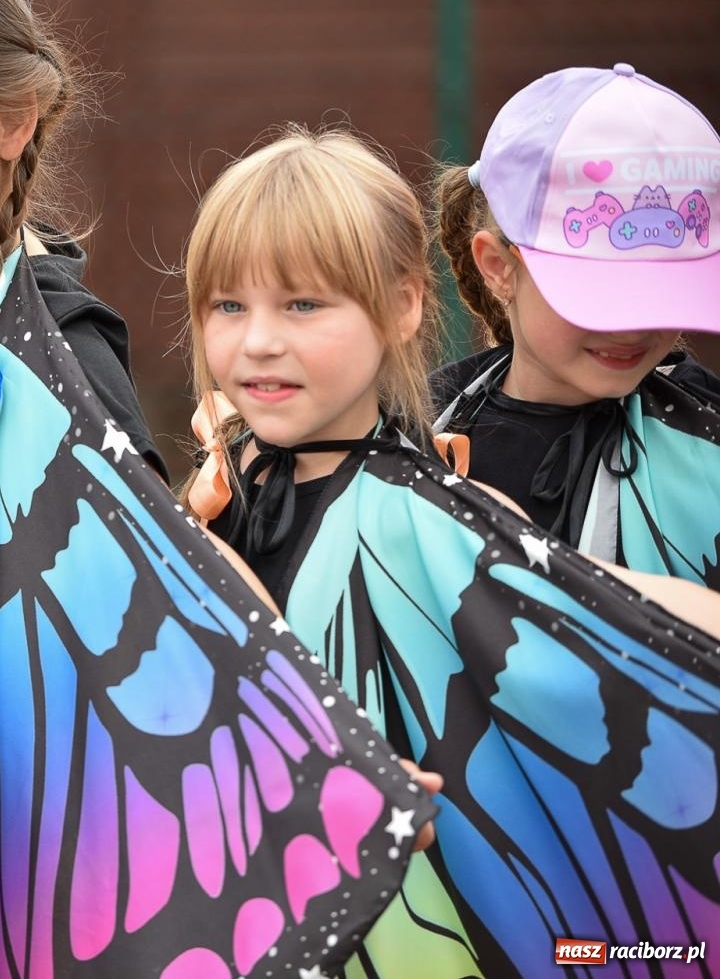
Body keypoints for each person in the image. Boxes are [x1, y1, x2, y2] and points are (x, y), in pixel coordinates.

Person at [0, 0, 432, 977]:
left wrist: (329, 748)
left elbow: (167, 565)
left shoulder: (59, 346)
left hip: (15, 826)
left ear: (14, 121)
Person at [182, 125, 720, 977]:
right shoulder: (215, 495)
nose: (257, 342)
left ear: (403, 306)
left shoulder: (435, 517)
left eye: (304, 304)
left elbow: (602, 659)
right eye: (228, 305)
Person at [431, 63, 720, 589]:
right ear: (498, 267)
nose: (631, 326)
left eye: (662, 290)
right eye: (601, 295)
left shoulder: (710, 430)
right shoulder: (421, 432)